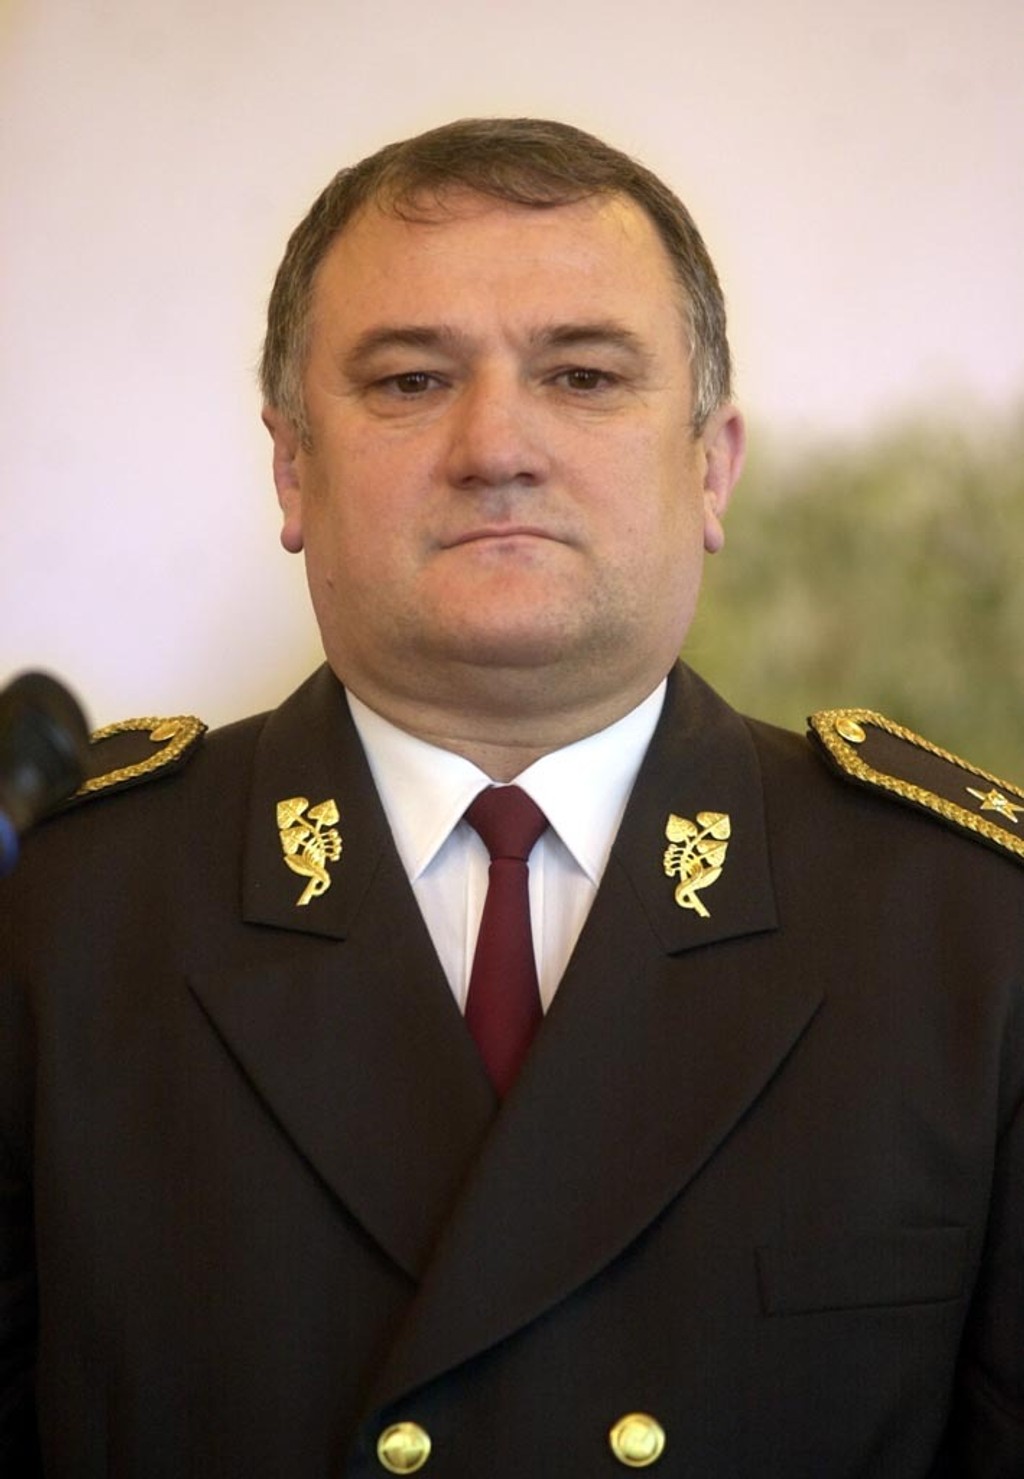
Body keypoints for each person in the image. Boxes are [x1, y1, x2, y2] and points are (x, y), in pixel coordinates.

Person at [1, 118, 1022, 1478]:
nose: (496, 446)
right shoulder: (58, 913)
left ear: (711, 467)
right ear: (292, 467)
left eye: (584, 375)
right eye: (411, 380)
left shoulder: (967, 933)